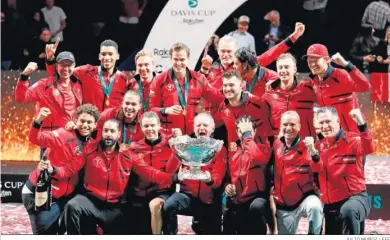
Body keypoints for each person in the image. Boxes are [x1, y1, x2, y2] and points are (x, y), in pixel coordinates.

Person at [40, 119, 178, 234]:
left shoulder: (128, 155)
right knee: (73, 206)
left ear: (118, 134)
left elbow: (150, 173)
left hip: (115, 206)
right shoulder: (89, 150)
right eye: (106, 131)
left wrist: (174, 178)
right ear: (101, 133)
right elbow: (70, 168)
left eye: (112, 131)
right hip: (91, 201)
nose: (108, 134)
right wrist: (53, 170)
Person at [22, 104, 99, 234]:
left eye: (89, 122)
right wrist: (38, 120)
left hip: (65, 197)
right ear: (76, 121)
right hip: (40, 193)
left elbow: (70, 169)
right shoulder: (63, 135)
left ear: (95, 125)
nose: (85, 125)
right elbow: (35, 138)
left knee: (67, 230)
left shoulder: (90, 144)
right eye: (82, 121)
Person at [199, 22, 306, 115]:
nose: (225, 54)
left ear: (235, 51)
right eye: (223, 51)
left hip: (240, 117)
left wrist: (294, 36)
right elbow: (198, 88)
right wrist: (204, 69)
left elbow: (271, 54)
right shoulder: (210, 69)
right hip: (215, 119)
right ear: (218, 50)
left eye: (229, 51)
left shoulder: (244, 66)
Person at [304, 107, 374, 234]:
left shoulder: (352, 140)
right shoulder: (318, 146)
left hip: (355, 199)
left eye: (328, 121)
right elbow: (315, 168)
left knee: (348, 210)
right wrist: (313, 153)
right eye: (321, 123)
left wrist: (361, 123)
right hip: (331, 204)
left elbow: (368, 148)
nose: (325, 126)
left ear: (337, 120)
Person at [163, 113, 227, 234]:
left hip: (208, 200)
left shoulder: (219, 148)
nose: (201, 128)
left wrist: (209, 180)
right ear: (194, 128)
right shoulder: (187, 144)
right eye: (198, 125)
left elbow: (218, 178)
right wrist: (177, 146)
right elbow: (170, 169)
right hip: (186, 196)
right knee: (168, 207)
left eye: (205, 125)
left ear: (212, 129)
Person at [149, 42, 224, 135]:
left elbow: (218, 98)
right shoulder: (159, 81)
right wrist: (166, 110)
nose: (178, 63)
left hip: (191, 135)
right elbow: (150, 110)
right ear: (170, 59)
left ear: (188, 58)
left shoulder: (199, 79)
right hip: (168, 136)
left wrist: (238, 95)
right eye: (175, 59)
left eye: (182, 59)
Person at [127, 111, 181, 234]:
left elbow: (174, 168)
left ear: (159, 126)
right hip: (140, 194)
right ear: (141, 127)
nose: (149, 129)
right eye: (146, 126)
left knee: (155, 205)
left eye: (152, 125)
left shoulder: (170, 143)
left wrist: (178, 142)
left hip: (163, 192)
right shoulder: (134, 147)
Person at [271, 111, 323, 235]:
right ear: (280, 126)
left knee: (315, 207)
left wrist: (313, 151)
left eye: (292, 125)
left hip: (305, 197)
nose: (288, 128)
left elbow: (318, 166)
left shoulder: (308, 146)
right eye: (285, 124)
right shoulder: (276, 145)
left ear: (299, 126)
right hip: (284, 204)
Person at [46, 39, 130, 111]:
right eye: (103, 54)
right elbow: (58, 75)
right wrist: (50, 60)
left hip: (112, 127)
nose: (107, 58)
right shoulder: (86, 71)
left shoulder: (124, 79)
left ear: (117, 56)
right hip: (90, 126)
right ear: (99, 56)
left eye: (110, 54)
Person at [303, 44, 371, 133]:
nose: (312, 64)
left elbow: (365, 87)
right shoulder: (314, 82)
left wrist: (346, 64)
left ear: (327, 59)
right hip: (332, 136)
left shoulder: (341, 75)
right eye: (309, 61)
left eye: (316, 60)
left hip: (352, 136)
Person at [223, 116, 271, 234]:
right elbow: (227, 178)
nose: (243, 133)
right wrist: (227, 186)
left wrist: (247, 136)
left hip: (256, 198)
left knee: (257, 208)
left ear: (254, 132)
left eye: (247, 130)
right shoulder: (233, 152)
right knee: (228, 217)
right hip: (236, 200)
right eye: (241, 130)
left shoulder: (264, 147)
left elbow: (258, 158)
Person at [15, 51, 82, 132]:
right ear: (56, 66)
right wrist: (24, 76)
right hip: (49, 136)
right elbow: (21, 98)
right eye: (62, 65)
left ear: (74, 66)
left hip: (71, 136)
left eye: (69, 65)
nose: (66, 68)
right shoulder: (44, 85)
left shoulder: (79, 85)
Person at [262, 53, 317, 138]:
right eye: (280, 68)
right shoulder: (269, 95)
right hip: (281, 146)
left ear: (295, 69)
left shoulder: (307, 89)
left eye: (287, 67)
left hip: (305, 143)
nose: (283, 70)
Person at [215, 70, 272, 146]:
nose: (228, 89)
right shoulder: (222, 107)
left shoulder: (257, 103)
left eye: (231, 85)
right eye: (225, 85)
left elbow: (270, 130)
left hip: (256, 153)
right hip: (234, 154)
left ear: (241, 86)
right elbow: (216, 123)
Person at [370, 26, 390, 102]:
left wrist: (384, 61)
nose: (389, 33)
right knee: (381, 100)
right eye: (388, 31)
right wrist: (378, 58)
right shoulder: (382, 44)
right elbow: (374, 54)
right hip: (382, 74)